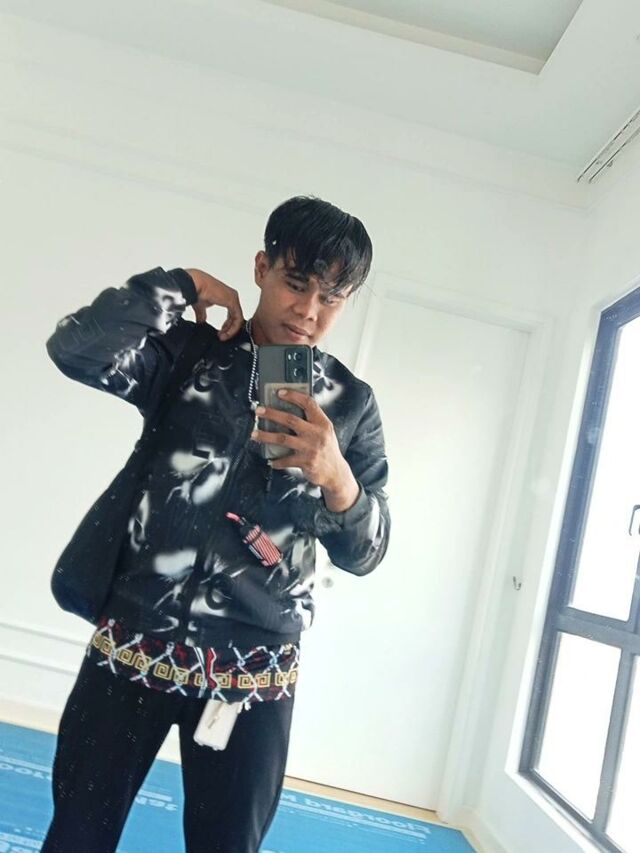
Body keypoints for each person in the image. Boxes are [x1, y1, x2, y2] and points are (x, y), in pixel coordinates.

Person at [43, 195, 391, 853]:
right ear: (261, 268)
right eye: (296, 283)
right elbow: (76, 348)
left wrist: (338, 478)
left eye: (332, 297)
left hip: (255, 675)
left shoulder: (350, 404)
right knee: (78, 835)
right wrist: (181, 285)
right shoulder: (190, 354)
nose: (308, 311)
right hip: (133, 643)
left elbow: (367, 552)